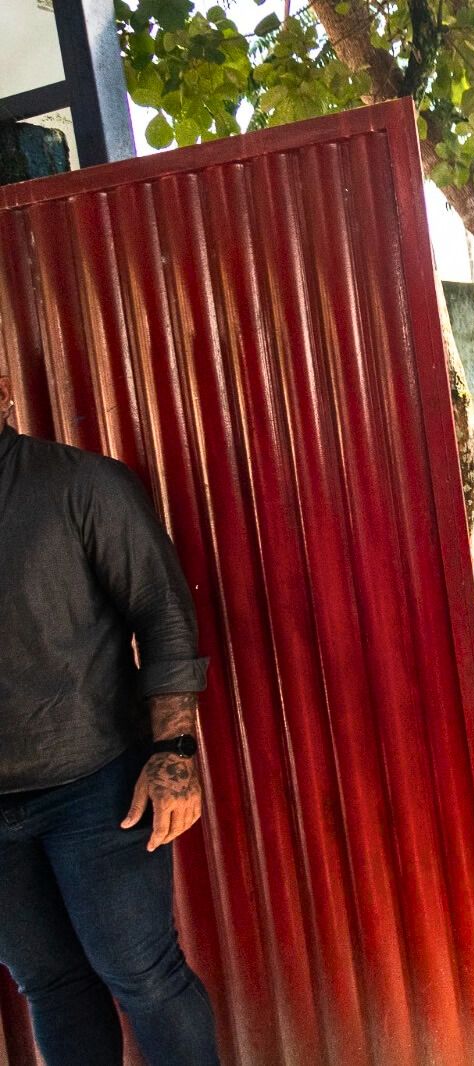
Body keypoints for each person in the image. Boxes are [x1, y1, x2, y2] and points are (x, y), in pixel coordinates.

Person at [0, 370, 221, 1064]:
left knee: (144, 977)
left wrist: (175, 752)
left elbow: (161, 614)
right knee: (51, 985)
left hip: (98, 789)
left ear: (4, 391)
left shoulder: (81, 485)